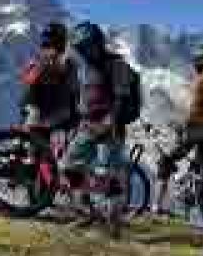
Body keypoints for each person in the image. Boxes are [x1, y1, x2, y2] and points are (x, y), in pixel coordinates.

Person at [59, 22, 134, 227]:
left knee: (108, 172)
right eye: (81, 48)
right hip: (87, 125)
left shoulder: (116, 65)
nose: (85, 51)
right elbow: (83, 97)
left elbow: (121, 98)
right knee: (68, 166)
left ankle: (112, 222)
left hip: (110, 127)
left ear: (98, 43)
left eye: (88, 46)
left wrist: (110, 121)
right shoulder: (84, 67)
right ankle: (87, 211)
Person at [154, 43, 203, 216]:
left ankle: (157, 206)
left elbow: (197, 111)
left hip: (200, 130)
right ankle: (188, 211)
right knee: (197, 168)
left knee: (166, 160)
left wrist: (181, 127)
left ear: (199, 61)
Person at [20, 22, 79, 137]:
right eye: (45, 44)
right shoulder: (39, 62)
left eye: (51, 43)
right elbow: (27, 79)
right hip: (39, 116)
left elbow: (75, 91)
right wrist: (43, 68)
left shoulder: (69, 64)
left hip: (61, 118)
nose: (48, 48)